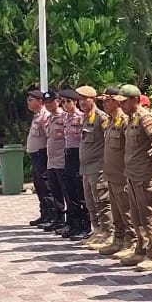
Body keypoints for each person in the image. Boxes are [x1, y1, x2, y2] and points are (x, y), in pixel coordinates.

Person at [119, 84, 152, 271]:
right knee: (136, 215)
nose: (122, 105)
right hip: (132, 174)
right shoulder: (131, 118)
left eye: (124, 101)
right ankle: (141, 249)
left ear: (135, 100)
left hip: (144, 175)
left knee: (148, 216)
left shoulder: (145, 118)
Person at [99, 87, 137, 256]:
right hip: (111, 174)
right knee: (116, 213)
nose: (104, 104)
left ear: (116, 101)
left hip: (122, 175)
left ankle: (132, 242)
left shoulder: (124, 121)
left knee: (126, 211)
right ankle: (118, 240)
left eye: (108, 100)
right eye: (103, 101)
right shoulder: (110, 121)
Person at [76, 85, 111, 247]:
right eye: (80, 99)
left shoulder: (101, 118)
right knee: (90, 203)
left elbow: (108, 143)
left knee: (102, 202)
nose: (82, 102)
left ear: (94, 99)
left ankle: (108, 233)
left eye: (85, 99)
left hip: (99, 168)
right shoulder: (86, 117)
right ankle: (97, 230)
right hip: (86, 169)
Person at [59, 89, 90, 238]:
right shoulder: (65, 117)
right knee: (70, 189)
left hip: (78, 154)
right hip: (68, 154)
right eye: (63, 102)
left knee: (79, 190)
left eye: (68, 101)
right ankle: (74, 223)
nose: (65, 104)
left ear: (75, 102)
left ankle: (85, 225)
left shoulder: (81, 117)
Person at [25, 90, 54, 226]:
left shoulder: (45, 116)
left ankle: (52, 215)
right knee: (39, 185)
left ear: (40, 101)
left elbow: (49, 137)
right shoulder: (36, 116)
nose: (28, 102)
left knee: (45, 185)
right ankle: (44, 213)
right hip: (35, 155)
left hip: (42, 154)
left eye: (31, 100)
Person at [41, 91, 68, 233]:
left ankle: (69, 220)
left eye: (51, 102)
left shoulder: (64, 116)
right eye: (46, 102)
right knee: (55, 191)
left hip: (62, 160)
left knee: (66, 192)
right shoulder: (49, 118)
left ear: (58, 101)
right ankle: (58, 219)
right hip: (51, 161)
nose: (48, 105)